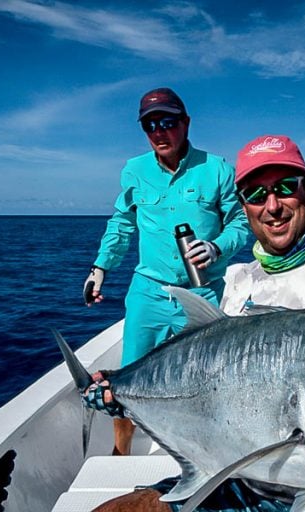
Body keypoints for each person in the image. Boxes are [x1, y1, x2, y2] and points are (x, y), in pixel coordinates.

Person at [89, 135, 305, 512]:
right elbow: (206, 388)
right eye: (256, 194)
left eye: (286, 188)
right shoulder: (237, 282)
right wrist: (123, 395)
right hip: (238, 479)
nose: (272, 206)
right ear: (243, 205)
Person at [83, 87, 249, 456]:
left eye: (168, 122)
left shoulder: (218, 169)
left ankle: (202, 452)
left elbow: (240, 223)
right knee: (126, 379)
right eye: (150, 125)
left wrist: (216, 247)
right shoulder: (134, 170)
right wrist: (100, 267)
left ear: (186, 123)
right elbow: (122, 224)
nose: (159, 131)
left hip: (203, 291)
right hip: (149, 291)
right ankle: (121, 453)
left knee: (206, 377)